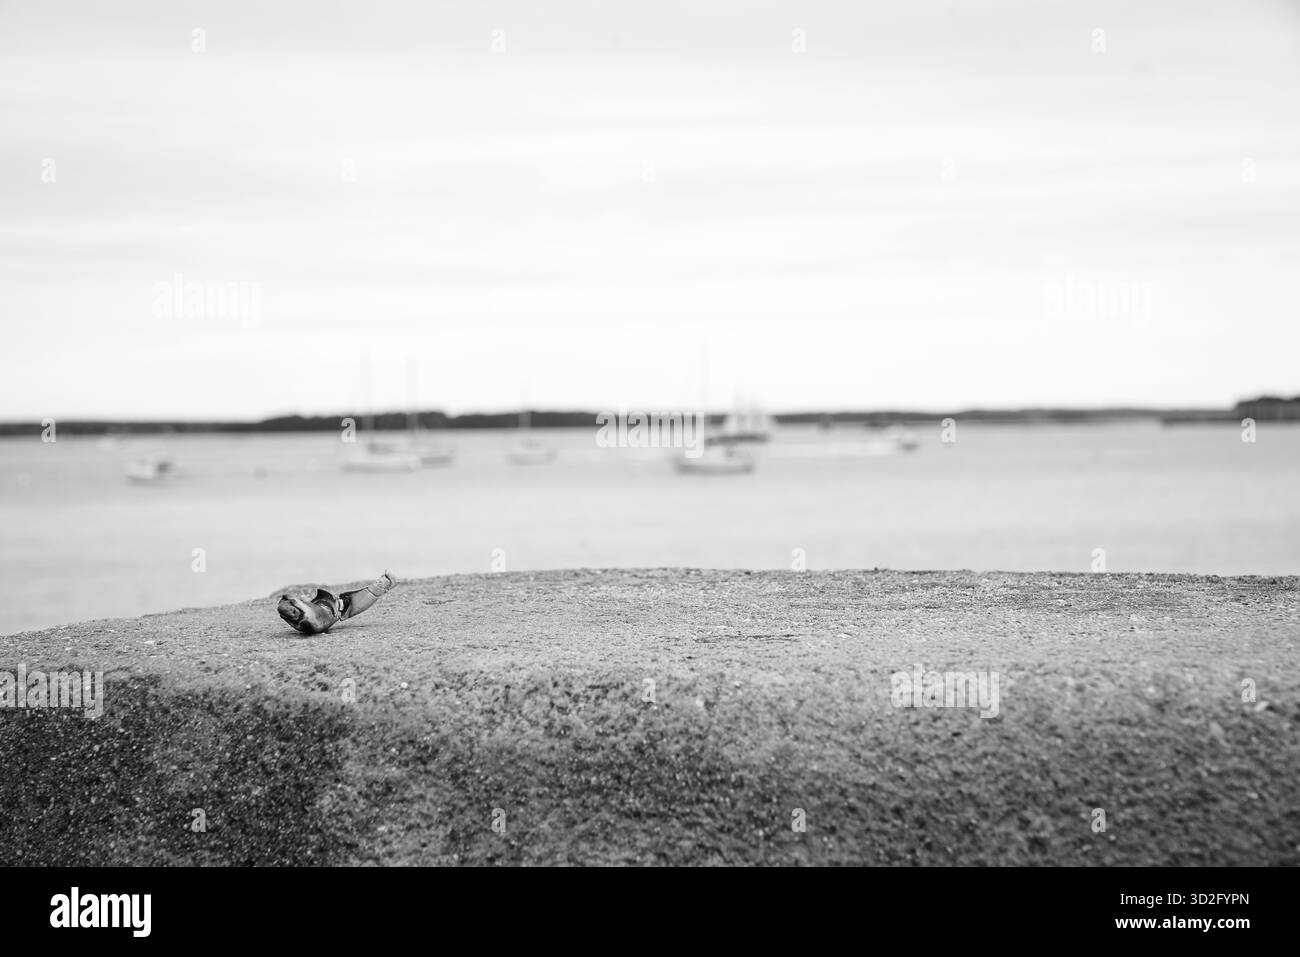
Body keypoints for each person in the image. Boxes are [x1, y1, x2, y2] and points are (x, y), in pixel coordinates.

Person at [277, 571, 395, 635]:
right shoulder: (307, 620)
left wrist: (290, 602)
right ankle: (386, 583)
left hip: (328, 606)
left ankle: (386, 584)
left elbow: (297, 607)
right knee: (356, 599)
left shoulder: (303, 618)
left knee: (350, 599)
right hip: (332, 609)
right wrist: (292, 601)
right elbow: (305, 617)